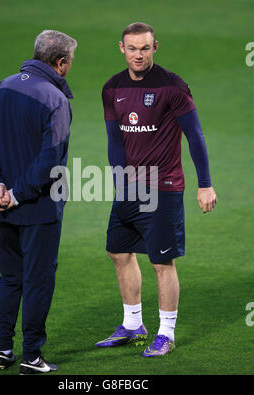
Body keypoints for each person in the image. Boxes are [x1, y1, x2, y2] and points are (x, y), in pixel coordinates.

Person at [95, 22, 217, 357]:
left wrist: (204, 184)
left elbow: (195, 136)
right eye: (132, 48)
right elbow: (114, 141)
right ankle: (133, 325)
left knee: (162, 262)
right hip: (129, 188)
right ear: (121, 48)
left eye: (145, 48)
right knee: (118, 252)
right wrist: (119, 183)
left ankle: (166, 333)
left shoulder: (172, 86)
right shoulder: (112, 88)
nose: (138, 55)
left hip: (163, 186)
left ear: (155, 47)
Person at [0, 30, 77, 374]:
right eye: (70, 62)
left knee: (9, 278)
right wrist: (18, 194)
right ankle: (31, 356)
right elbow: (51, 160)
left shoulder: (1, 87)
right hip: (39, 209)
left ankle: (3, 348)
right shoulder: (55, 100)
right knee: (38, 280)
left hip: (2, 205)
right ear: (61, 63)